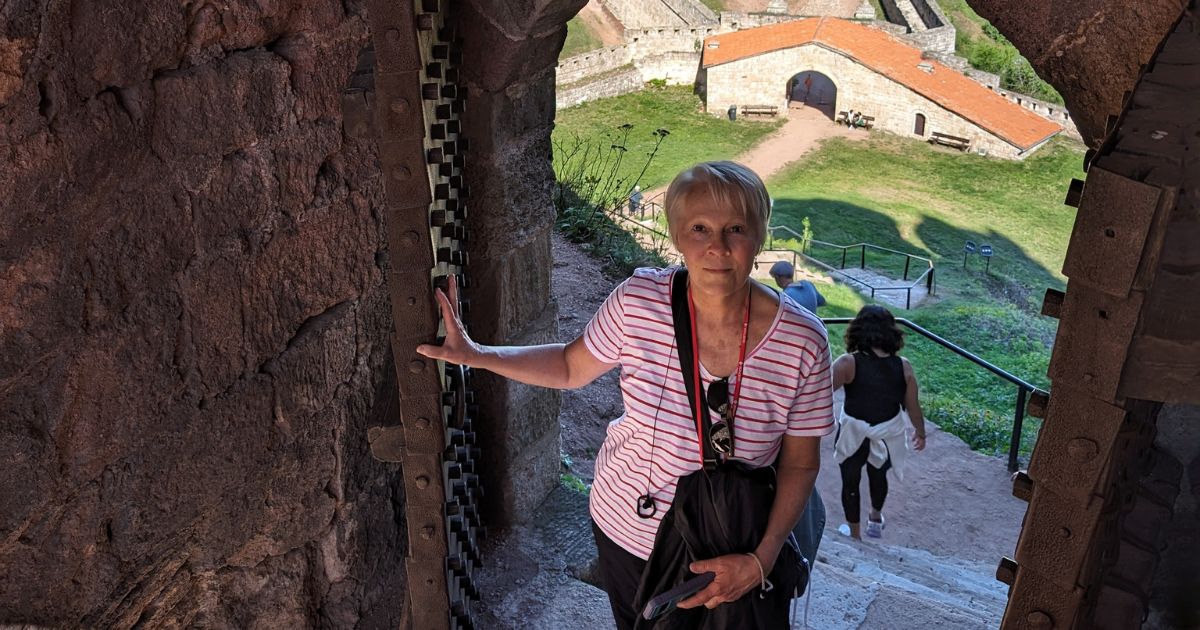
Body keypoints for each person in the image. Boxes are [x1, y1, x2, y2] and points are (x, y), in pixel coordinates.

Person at [417, 161, 834, 629]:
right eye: (699, 228)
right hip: (630, 527)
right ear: (677, 235)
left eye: (735, 228)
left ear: (759, 234)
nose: (717, 246)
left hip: (735, 538)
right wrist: (477, 354)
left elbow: (800, 461)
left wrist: (761, 559)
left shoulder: (802, 340)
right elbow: (572, 365)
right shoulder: (640, 302)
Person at [830, 305, 926, 540]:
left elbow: (819, 392)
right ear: (891, 333)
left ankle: (854, 535)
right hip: (887, 433)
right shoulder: (903, 366)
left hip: (853, 432)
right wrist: (920, 432)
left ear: (858, 331)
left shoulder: (847, 363)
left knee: (850, 483)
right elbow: (913, 405)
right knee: (878, 475)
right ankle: (875, 519)